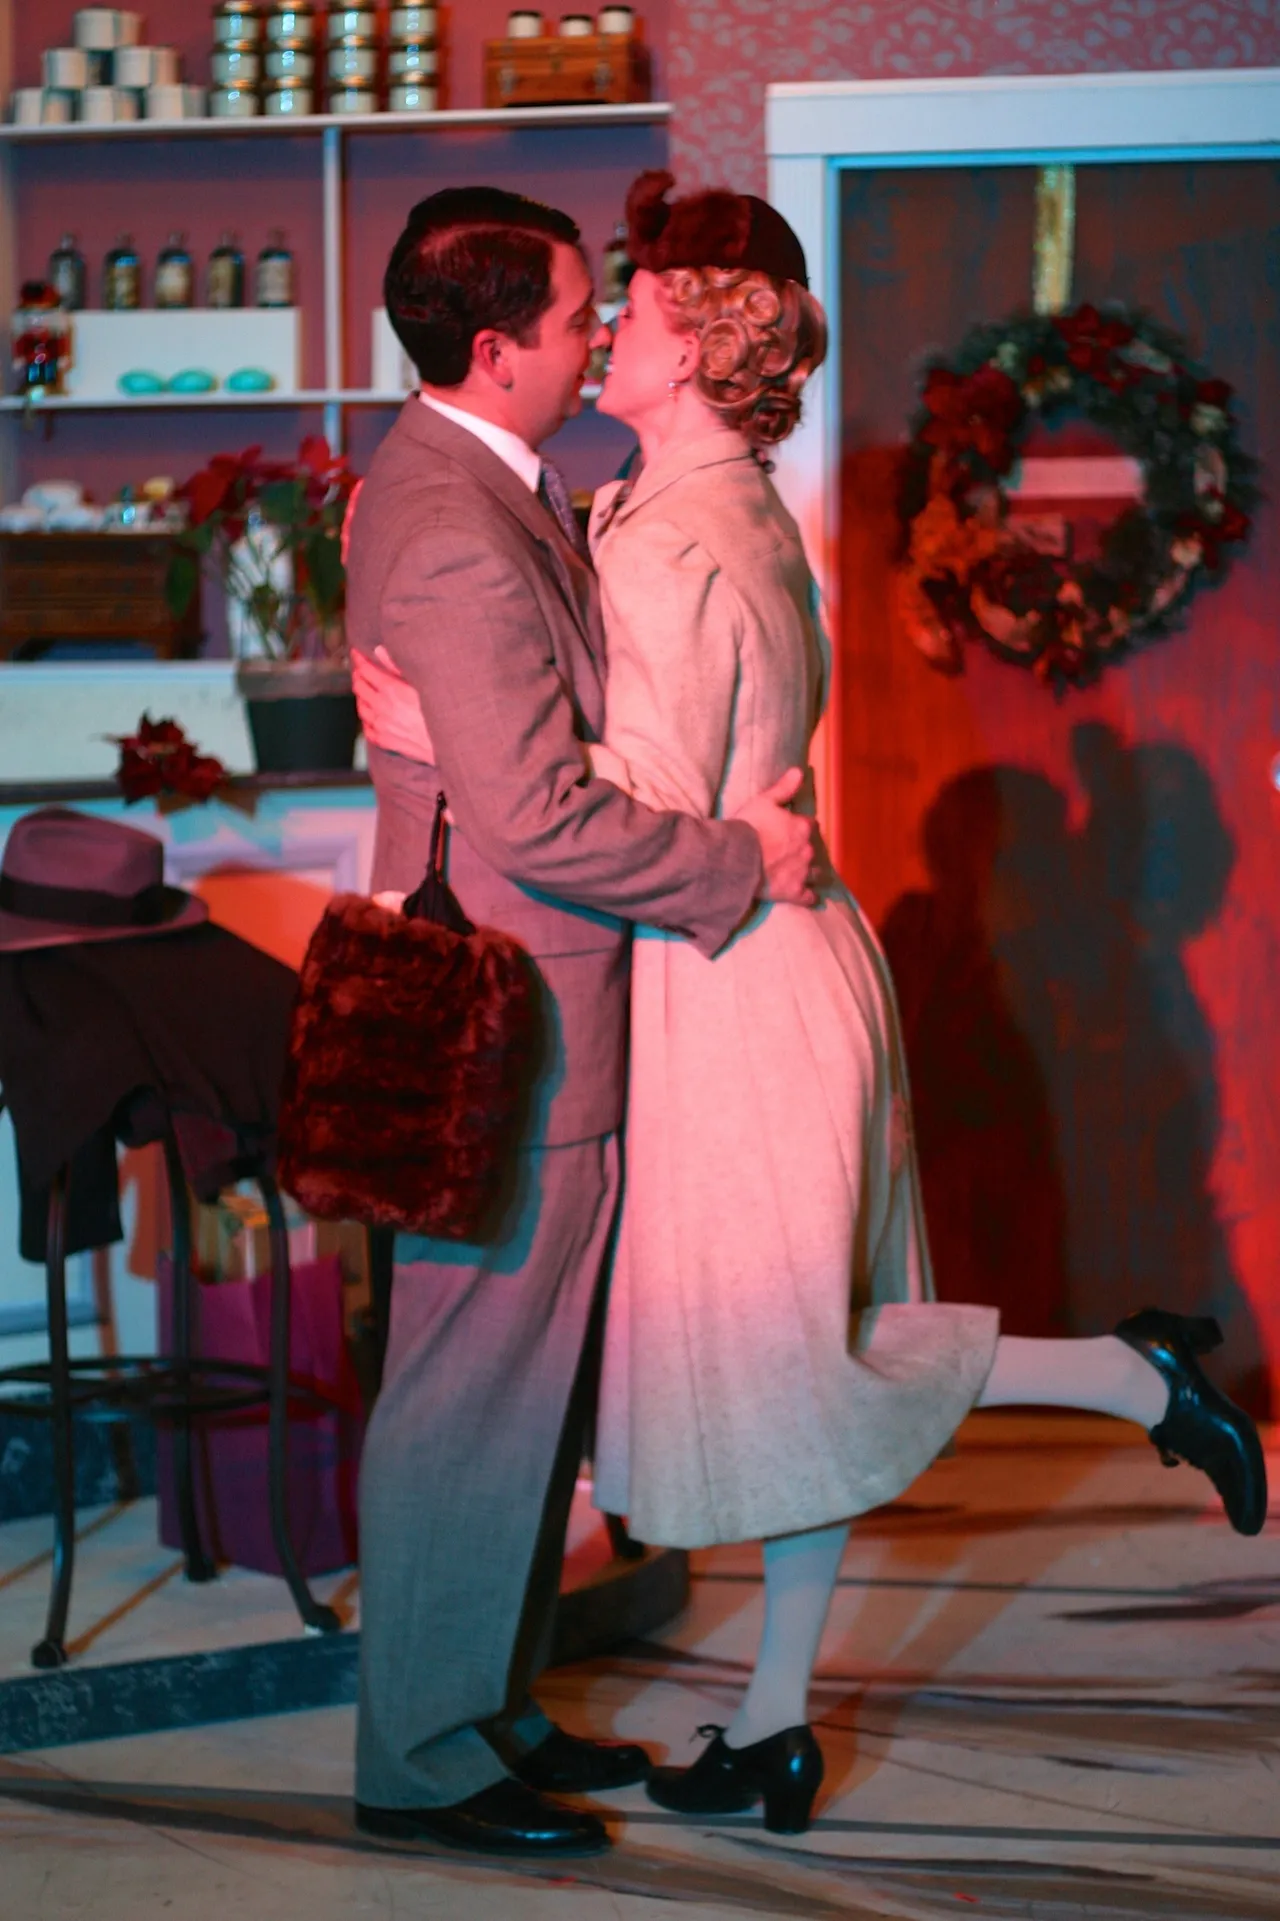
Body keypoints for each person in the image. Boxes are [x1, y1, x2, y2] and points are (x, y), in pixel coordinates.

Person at [583, 170, 1268, 1837]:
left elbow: (643, 805)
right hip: (788, 963)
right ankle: (776, 1722)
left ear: (696, 349)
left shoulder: (671, 540)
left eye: (636, 308)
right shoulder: (729, 509)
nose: (606, 329)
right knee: (807, 1360)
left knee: (805, 1360)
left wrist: (461, 747)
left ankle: (1135, 1382)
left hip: (735, 985)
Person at [344, 185, 823, 1861]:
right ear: (498, 350)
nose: (595, 334)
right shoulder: (457, 518)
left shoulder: (502, 483)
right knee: (468, 1402)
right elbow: (540, 816)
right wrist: (740, 860)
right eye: (573, 317)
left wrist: (436, 755)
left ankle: (488, 1706)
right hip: (510, 1024)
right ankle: (423, 1760)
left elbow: (518, 750)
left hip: (544, 1014)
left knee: (522, 1401)